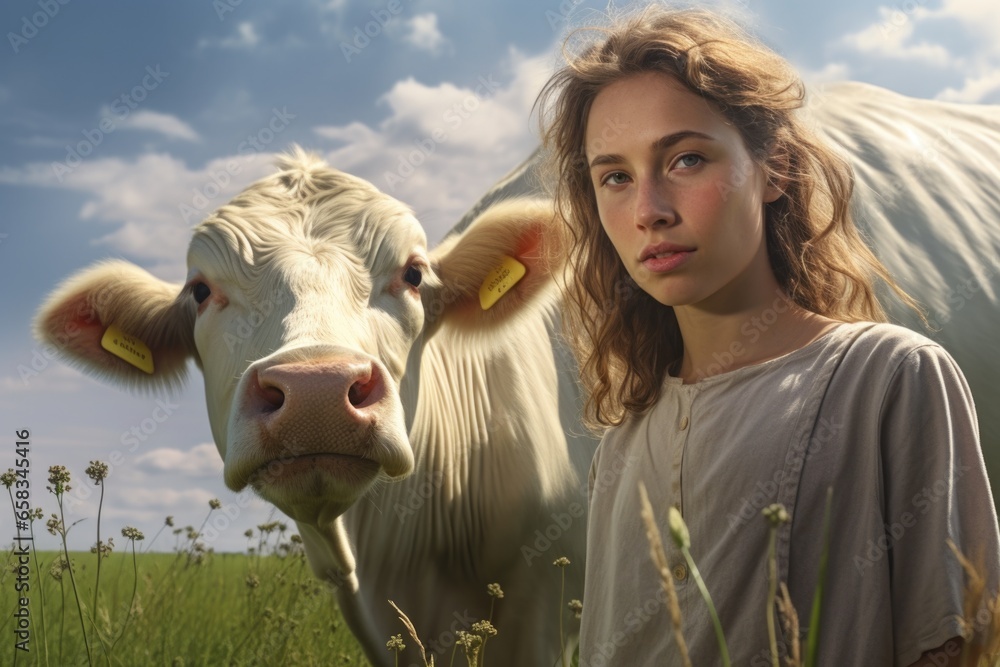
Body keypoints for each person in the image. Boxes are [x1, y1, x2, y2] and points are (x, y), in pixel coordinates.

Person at [536, 6, 1000, 666]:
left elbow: (957, 642)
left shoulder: (891, 377)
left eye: (686, 158)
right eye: (615, 176)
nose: (648, 211)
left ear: (774, 167)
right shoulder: (621, 445)